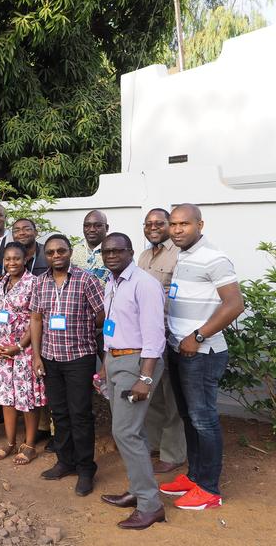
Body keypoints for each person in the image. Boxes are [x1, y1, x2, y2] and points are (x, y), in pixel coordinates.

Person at [159, 204, 244, 511]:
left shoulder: (215, 258)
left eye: (184, 224)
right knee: (188, 418)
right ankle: (194, 477)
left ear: (200, 224)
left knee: (203, 420)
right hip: (179, 349)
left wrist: (197, 336)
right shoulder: (182, 255)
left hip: (202, 352)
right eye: (174, 224)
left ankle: (209, 489)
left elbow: (234, 304)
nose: (177, 229)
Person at [97, 233, 167, 529]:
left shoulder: (145, 284)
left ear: (130, 252)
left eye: (117, 250)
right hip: (116, 359)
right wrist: (105, 363)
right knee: (127, 430)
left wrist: (145, 377)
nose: (111, 255)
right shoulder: (112, 282)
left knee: (126, 432)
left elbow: (154, 335)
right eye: (106, 251)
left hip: (136, 362)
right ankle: (138, 491)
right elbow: (113, 327)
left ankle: (151, 505)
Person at [31, 234, 104, 496]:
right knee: (59, 413)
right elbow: (36, 320)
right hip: (50, 358)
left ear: (70, 252)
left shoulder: (87, 279)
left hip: (79, 357)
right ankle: (65, 461)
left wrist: (84, 329)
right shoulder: (40, 283)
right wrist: (36, 356)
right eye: (50, 253)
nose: (55, 256)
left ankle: (86, 468)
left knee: (80, 415)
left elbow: (102, 315)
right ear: (45, 256)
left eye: (61, 251)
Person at [0, 242, 45, 465]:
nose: (11, 263)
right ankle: (10, 442)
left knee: (26, 400)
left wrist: (19, 346)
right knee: (6, 398)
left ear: (25, 259)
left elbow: (36, 320)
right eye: (7, 259)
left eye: (16, 258)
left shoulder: (34, 284)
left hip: (23, 352)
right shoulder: (0, 284)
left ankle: (29, 445)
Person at [138, 208, 186, 474]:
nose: (153, 227)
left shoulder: (179, 254)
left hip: (173, 334)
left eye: (159, 223)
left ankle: (173, 452)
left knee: (172, 397)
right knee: (153, 393)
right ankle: (155, 443)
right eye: (149, 224)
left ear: (169, 225)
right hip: (148, 335)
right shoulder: (145, 255)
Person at [11, 217, 53, 447]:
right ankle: (41, 426)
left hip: (49, 321)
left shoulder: (46, 254)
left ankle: (54, 430)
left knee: (48, 376)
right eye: (17, 230)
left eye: (27, 228)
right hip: (27, 326)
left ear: (36, 231)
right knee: (34, 378)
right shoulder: (13, 255)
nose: (22, 232)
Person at [71, 210, 111, 285]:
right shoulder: (74, 251)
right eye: (87, 225)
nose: (92, 229)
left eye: (98, 225)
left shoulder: (117, 250)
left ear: (107, 228)